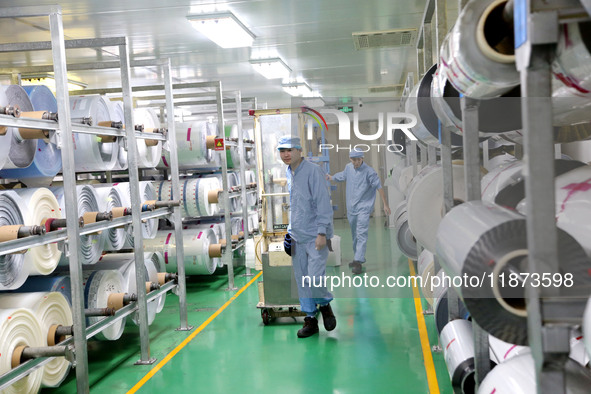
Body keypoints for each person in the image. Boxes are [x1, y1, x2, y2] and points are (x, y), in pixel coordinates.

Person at [278, 136, 336, 338]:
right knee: (301, 279)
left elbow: (323, 203)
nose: (285, 154)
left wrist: (322, 232)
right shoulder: (289, 172)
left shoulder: (312, 171)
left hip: (315, 235)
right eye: (282, 151)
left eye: (289, 150)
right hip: (297, 236)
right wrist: (289, 232)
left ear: (299, 151)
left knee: (314, 277)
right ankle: (310, 319)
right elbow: (296, 205)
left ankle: (325, 305)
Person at [327, 149, 391, 274]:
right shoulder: (348, 168)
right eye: (353, 160)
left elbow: (379, 187)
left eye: (358, 159)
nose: (356, 162)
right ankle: (357, 257)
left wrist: (385, 204)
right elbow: (342, 176)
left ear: (362, 158)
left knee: (361, 234)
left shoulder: (369, 172)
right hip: (351, 208)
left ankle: (358, 261)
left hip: (363, 208)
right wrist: (331, 177)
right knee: (354, 234)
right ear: (350, 159)